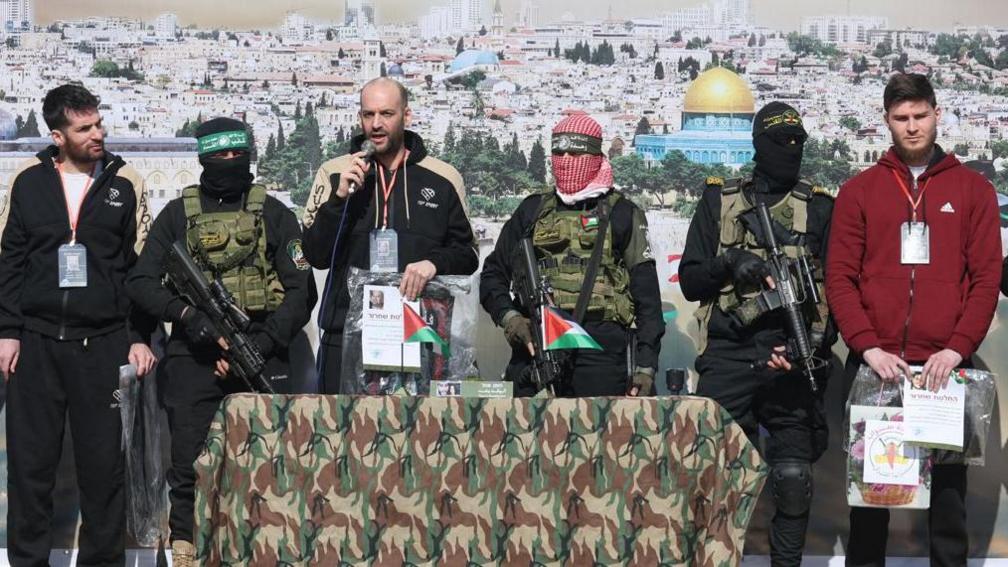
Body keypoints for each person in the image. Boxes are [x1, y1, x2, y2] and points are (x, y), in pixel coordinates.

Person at [826, 73, 1000, 566]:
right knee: (872, 501)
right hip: (877, 367)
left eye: (920, 115)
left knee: (948, 503)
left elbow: (986, 278)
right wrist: (867, 346)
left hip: (943, 369)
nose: (912, 127)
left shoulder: (973, 190)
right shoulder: (860, 191)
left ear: (937, 114)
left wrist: (955, 348)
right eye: (901, 118)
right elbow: (840, 277)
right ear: (886, 121)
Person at [126, 117, 315, 566]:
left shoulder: (275, 213)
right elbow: (142, 282)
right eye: (221, 156)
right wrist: (188, 317)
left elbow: (301, 289)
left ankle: (266, 546)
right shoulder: (177, 215)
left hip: (259, 353)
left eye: (238, 154)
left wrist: (263, 342)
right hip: (193, 356)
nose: (230, 163)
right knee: (189, 463)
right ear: (204, 158)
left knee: (268, 455)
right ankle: (187, 548)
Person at [0, 84, 156, 566]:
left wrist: (139, 337)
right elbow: (11, 261)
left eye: (99, 124)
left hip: (104, 345)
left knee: (103, 470)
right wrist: (7, 331)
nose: (98, 135)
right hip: (37, 344)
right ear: (57, 135)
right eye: (84, 128)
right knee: (30, 469)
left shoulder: (124, 181)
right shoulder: (28, 182)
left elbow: (140, 269)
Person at [678, 102, 834, 566]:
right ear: (757, 146)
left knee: (792, 480)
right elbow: (689, 281)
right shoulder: (719, 200)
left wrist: (811, 348)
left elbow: (838, 292)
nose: (790, 151)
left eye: (797, 143)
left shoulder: (820, 209)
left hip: (791, 354)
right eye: (779, 143)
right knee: (719, 478)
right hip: (729, 353)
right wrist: (729, 264)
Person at [302, 77, 478, 394]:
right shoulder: (335, 172)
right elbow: (315, 254)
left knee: (415, 439)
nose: (377, 124)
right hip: (345, 336)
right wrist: (339, 199)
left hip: (419, 334)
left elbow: (468, 255)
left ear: (406, 116)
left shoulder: (443, 177)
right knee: (342, 438)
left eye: (387, 114)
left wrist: (433, 263)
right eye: (368, 115)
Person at [480, 114, 663, 397]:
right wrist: (512, 319)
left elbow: (648, 300)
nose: (565, 160)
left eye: (575, 153)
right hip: (537, 345)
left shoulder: (622, 213)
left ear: (595, 156)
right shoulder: (532, 211)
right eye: (558, 152)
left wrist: (646, 367)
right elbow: (493, 275)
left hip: (601, 353)